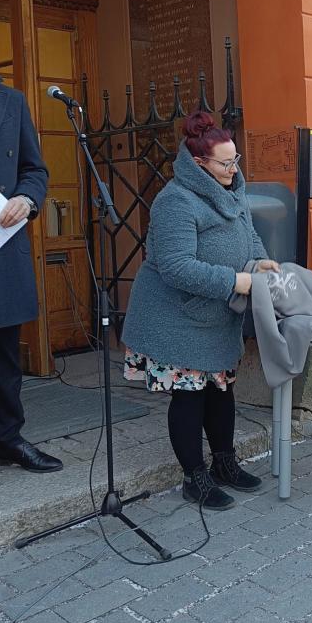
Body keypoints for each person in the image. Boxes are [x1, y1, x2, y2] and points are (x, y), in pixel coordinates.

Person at [121, 111, 280, 509]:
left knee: (221, 392)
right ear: (198, 165)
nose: (233, 168)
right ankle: (195, 478)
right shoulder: (175, 200)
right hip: (177, 318)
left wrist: (260, 261)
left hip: (215, 317)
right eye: (225, 163)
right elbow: (176, 266)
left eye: (236, 159)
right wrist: (234, 281)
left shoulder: (232, 189)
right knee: (190, 398)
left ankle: (224, 463)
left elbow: (249, 234)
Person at [0, 75, 63, 472]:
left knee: (4, 355)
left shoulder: (11, 101)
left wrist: (26, 198)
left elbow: (34, 169)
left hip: (0, 243)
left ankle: (7, 439)